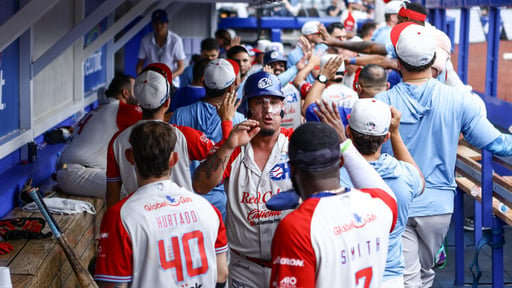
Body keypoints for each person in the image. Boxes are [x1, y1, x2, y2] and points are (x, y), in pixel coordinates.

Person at [375, 22, 512, 288]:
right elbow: (494, 143)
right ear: (434, 60)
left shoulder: (381, 102)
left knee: (407, 277)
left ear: (398, 63)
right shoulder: (460, 100)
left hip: (395, 202)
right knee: (424, 275)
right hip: (439, 207)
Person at [94, 121, 229, 287]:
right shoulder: (209, 210)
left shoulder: (119, 217)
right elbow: (221, 274)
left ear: (129, 157)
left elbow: (112, 285)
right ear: (174, 159)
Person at [192, 71, 294, 287]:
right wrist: (228, 145)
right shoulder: (234, 146)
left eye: (274, 102)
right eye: (259, 102)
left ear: (282, 108)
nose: (267, 110)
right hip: (244, 268)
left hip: (289, 264)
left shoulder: (296, 144)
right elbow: (200, 185)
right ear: (248, 107)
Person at [270, 121, 398, 287]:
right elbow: (386, 193)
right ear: (341, 162)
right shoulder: (379, 206)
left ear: (292, 169)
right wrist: (346, 146)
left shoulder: (298, 227)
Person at [106, 63, 235, 209]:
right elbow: (224, 153)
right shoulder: (184, 135)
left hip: (138, 221)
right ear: (167, 102)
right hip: (181, 219)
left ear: (138, 103)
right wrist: (226, 122)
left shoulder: (117, 141)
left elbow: (112, 196)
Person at [338, 99, 424, 287]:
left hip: (345, 274)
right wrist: (395, 133)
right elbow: (420, 182)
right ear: (385, 138)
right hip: (390, 276)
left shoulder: (333, 175)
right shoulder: (405, 174)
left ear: (348, 131)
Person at [170, 58, 246, 219]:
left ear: (203, 82)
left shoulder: (180, 114)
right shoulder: (239, 121)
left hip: (184, 202)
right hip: (222, 204)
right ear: (232, 86)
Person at [56, 75, 141, 198]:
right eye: (136, 90)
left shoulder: (103, 109)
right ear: (125, 93)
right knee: (135, 193)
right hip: (78, 172)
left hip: (77, 170)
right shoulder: (121, 109)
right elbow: (156, 119)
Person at [136, 9, 186, 89]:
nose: (159, 27)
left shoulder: (176, 40)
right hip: (152, 83)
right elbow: (139, 65)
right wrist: (142, 78)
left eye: (162, 23)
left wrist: (168, 78)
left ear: (167, 23)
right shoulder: (145, 40)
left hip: (171, 83)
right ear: (152, 24)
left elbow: (181, 68)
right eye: (156, 24)